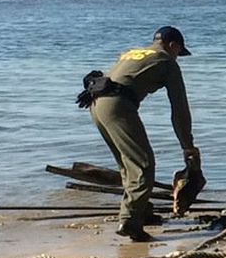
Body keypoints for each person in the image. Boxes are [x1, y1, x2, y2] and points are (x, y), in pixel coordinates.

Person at [82, 26, 199, 241]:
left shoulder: (131, 52)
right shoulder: (167, 61)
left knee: (128, 164)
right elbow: (179, 109)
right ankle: (130, 222)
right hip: (117, 105)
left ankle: (142, 212)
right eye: (178, 52)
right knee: (143, 164)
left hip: (95, 103)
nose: (178, 58)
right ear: (173, 46)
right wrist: (187, 146)